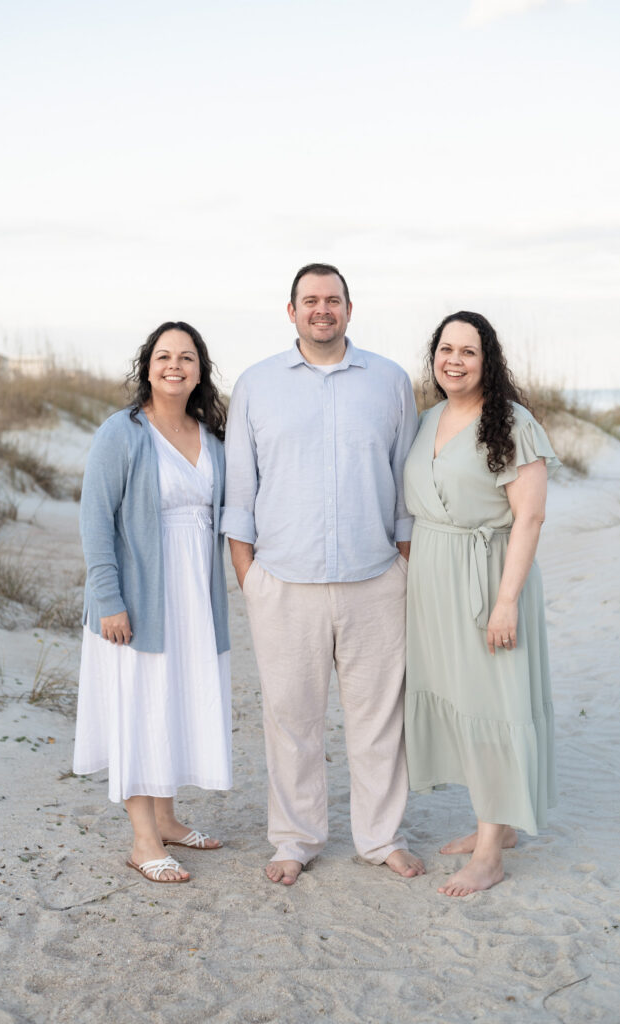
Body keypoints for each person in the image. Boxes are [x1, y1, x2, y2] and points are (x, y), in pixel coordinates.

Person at [221, 263, 424, 886]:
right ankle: (296, 838)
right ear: (292, 311)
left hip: (375, 580)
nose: (321, 310)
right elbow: (240, 491)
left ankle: (381, 837)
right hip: (283, 582)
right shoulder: (255, 385)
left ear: (348, 308)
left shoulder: (390, 382)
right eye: (310, 301)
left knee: (378, 719)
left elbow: (406, 490)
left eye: (332, 300)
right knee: (291, 719)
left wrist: (403, 569)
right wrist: (249, 576)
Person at [403, 311, 559, 897]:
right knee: (464, 700)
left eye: (469, 351)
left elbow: (531, 517)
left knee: (495, 702)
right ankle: (494, 822)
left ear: (487, 361)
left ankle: (492, 852)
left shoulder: (513, 423)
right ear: (434, 356)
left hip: (490, 573)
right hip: (434, 577)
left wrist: (506, 602)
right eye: (447, 349)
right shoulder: (426, 421)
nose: (455, 360)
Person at [73, 321, 231, 884]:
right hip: (137, 599)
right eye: (164, 356)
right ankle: (143, 841)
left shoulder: (211, 436)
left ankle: (166, 818)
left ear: (199, 370)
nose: (174, 366)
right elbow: (95, 520)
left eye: (186, 358)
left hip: (193, 599)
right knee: (140, 709)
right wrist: (108, 598)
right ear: (148, 365)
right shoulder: (122, 432)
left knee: (174, 702)